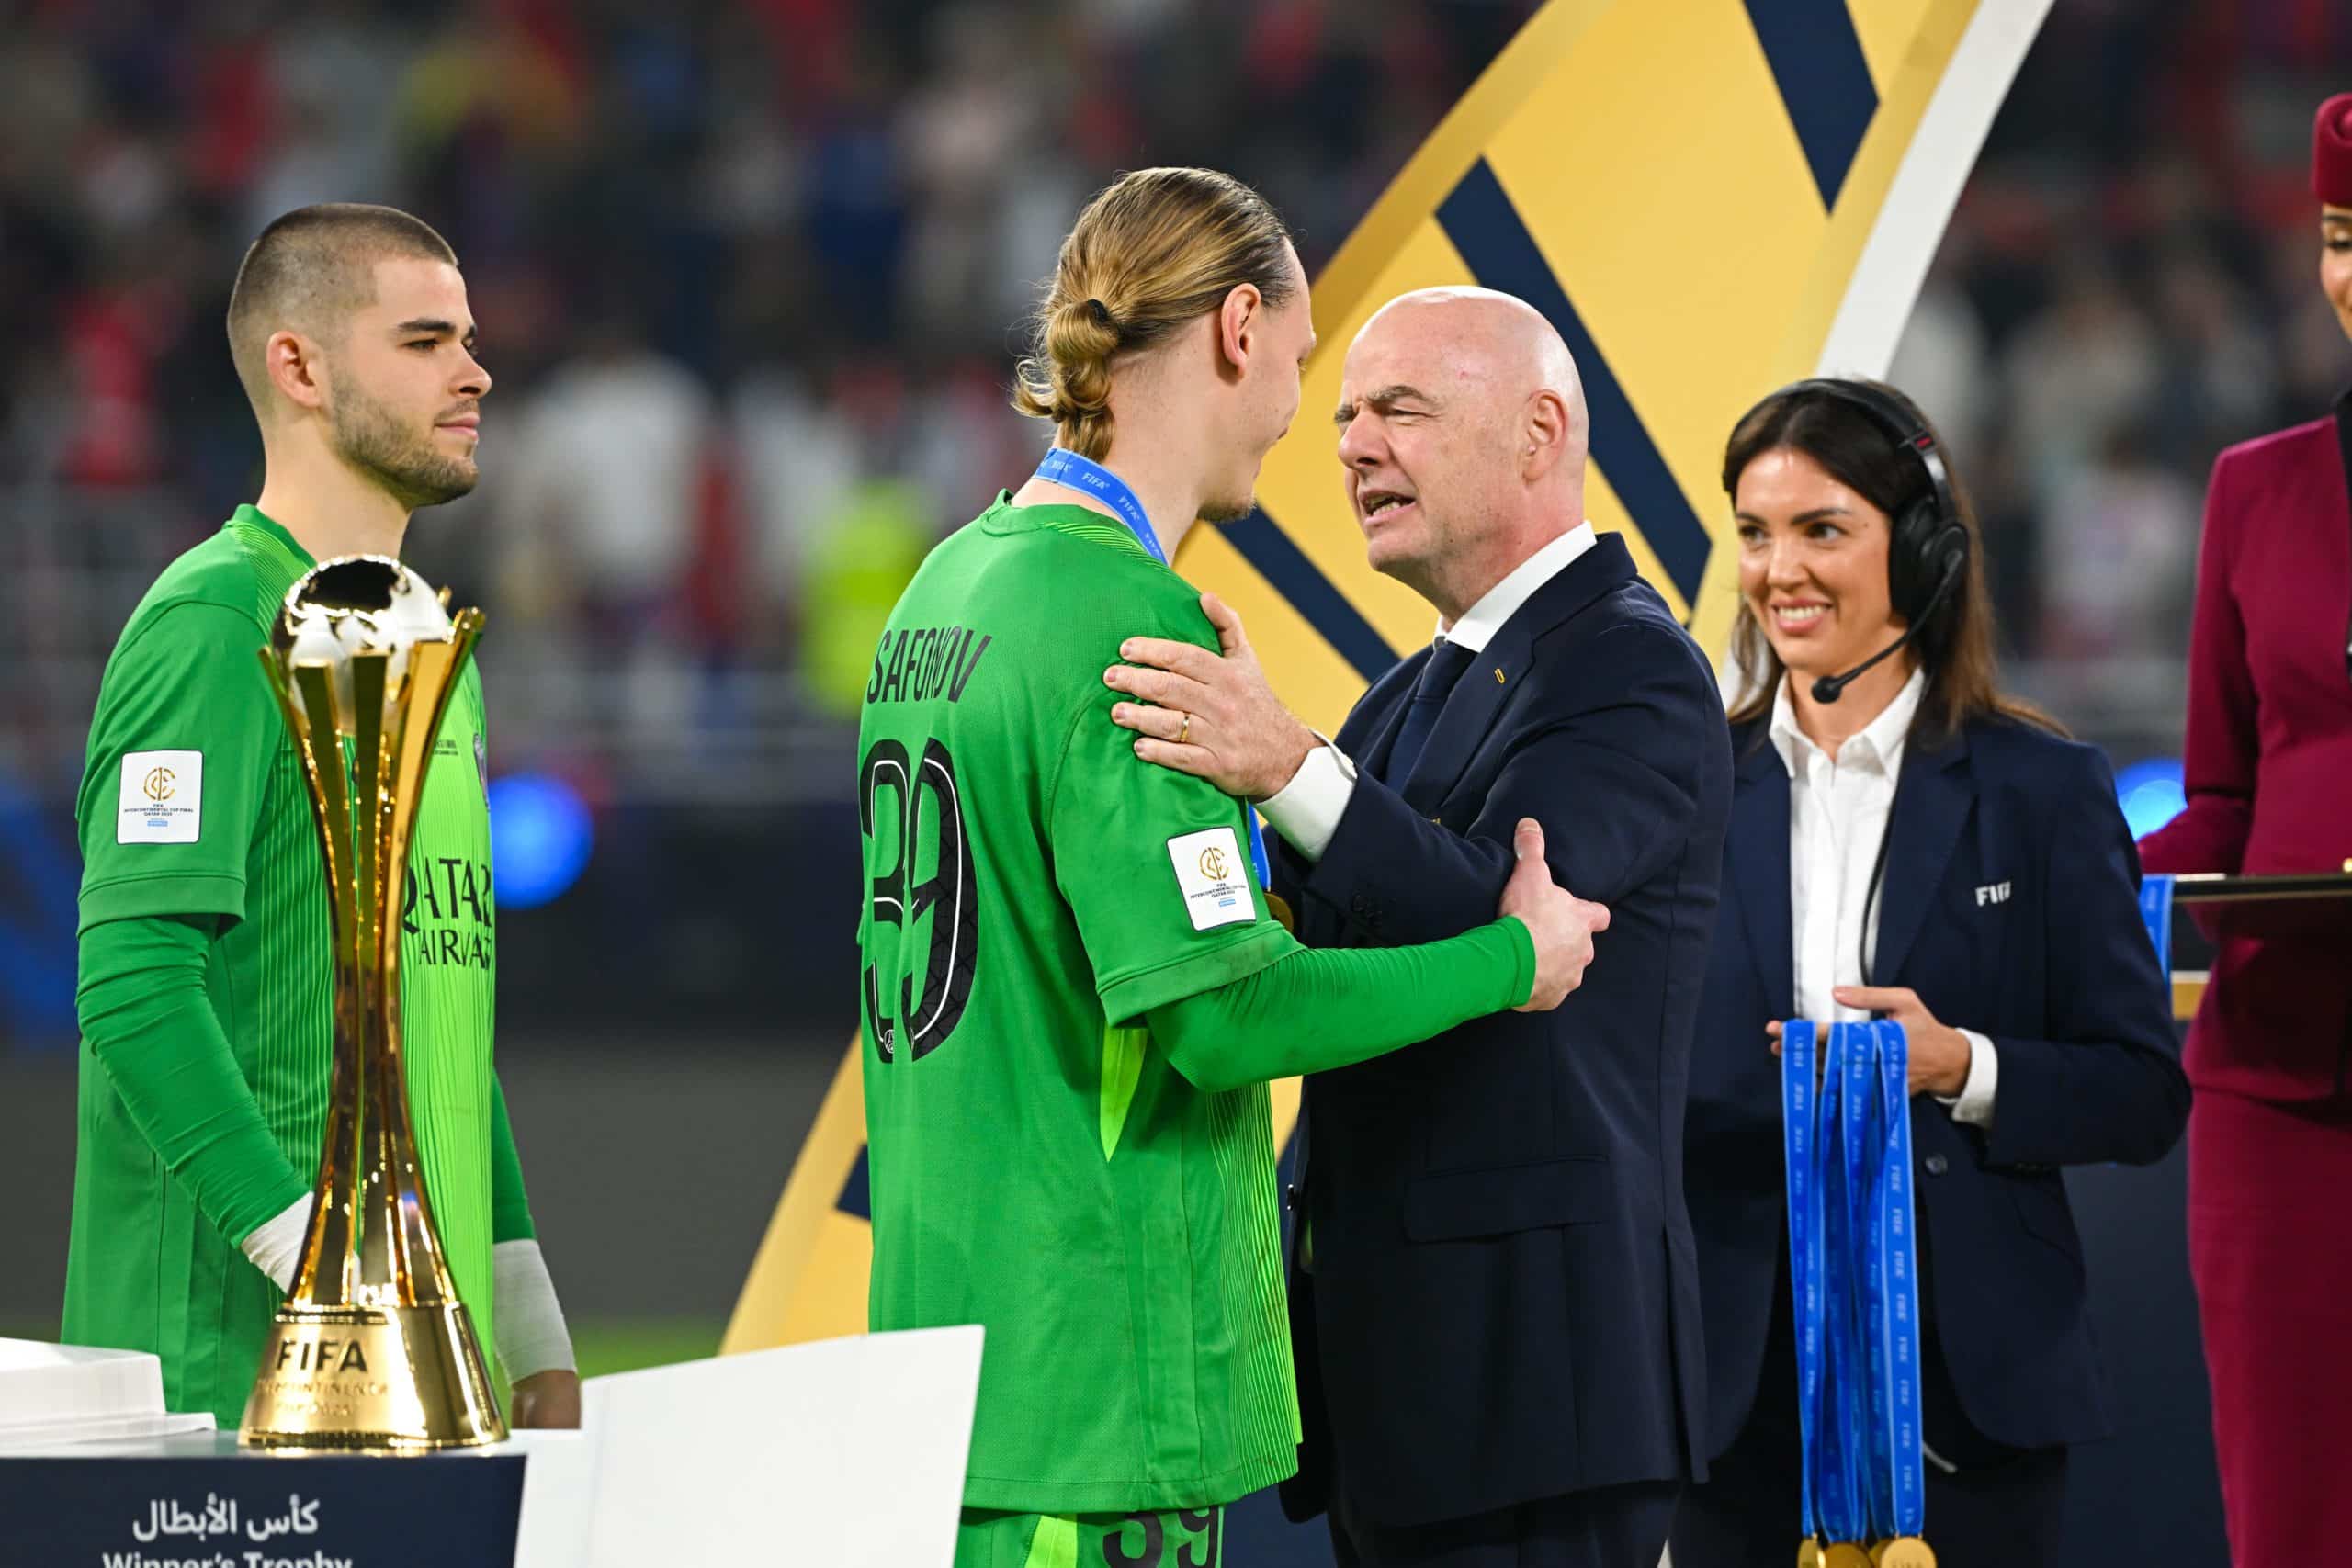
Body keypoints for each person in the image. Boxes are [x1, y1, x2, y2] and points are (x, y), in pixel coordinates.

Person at [854, 172, 1609, 1568]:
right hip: (1094, 1386)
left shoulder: (946, 587)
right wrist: (1512, 957)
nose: (1301, 419)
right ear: (1237, 327)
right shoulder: (1126, 619)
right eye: (1307, 368)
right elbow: (1221, 1016)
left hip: (949, 1362)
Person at [1107, 286, 1728, 1568]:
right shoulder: (1408, 692)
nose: (1351, 446)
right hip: (1410, 1386)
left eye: (1399, 409)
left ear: (1539, 432)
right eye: (1341, 416)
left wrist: (1286, 764)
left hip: (1537, 1391)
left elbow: (1509, 927)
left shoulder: (1634, 665)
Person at [64, 204, 578, 1429]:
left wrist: (526, 1318)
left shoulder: (425, 648)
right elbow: (135, 980)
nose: (475, 370)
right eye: (423, 341)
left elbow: (436, 1011)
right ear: (297, 366)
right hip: (227, 1394)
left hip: (413, 1381)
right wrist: (320, 1260)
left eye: (467, 337)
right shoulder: (212, 625)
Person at [1670, 378, 2188, 1567]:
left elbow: (2143, 1090)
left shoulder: (2043, 790)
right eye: (1754, 533)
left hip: (1973, 1388)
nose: (1778, 569)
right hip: (1735, 1386)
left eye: (1821, 529)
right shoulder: (1691, 787)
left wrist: (1965, 1065)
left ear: (1925, 552)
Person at [2136, 91, 2352, 1563]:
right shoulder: (2256, 490)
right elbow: (2219, 799)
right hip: (2284, 1092)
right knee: (2290, 1524)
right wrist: (2034, 858)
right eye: (2343, 240)